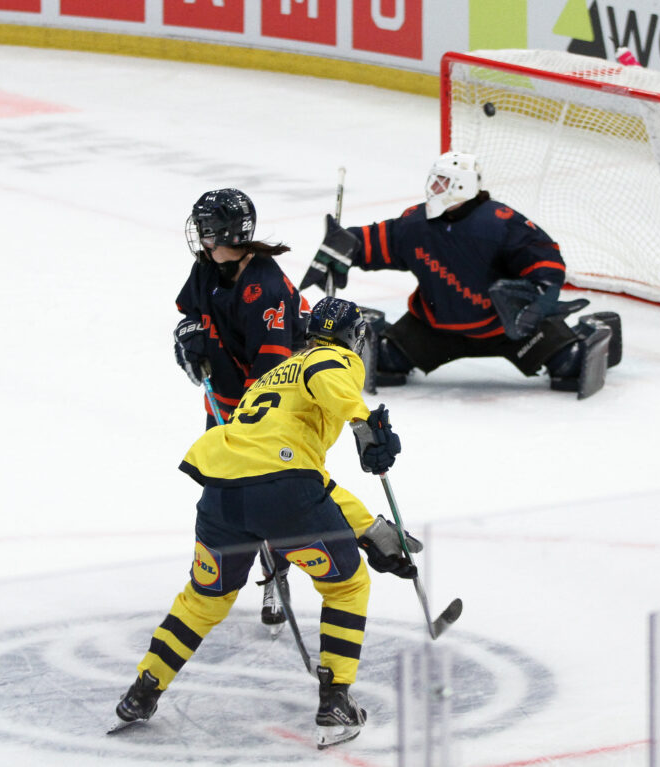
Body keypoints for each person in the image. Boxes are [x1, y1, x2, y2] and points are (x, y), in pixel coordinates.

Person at [115, 297, 415, 750]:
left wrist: (368, 529)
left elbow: (306, 475)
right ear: (355, 337)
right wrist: (364, 422)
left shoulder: (274, 376)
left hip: (222, 493)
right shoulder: (334, 358)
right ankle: (335, 702)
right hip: (283, 491)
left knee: (203, 600)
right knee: (346, 585)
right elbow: (325, 383)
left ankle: (143, 691)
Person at [299, 151, 621, 398]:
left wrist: (541, 302)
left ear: (463, 187)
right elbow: (382, 241)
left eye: (441, 182)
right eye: (434, 180)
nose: (432, 188)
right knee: (384, 361)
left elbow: (546, 259)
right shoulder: (417, 224)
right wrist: (346, 245)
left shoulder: (499, 222)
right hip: (435, 328)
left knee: (570, 364)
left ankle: (595, 331)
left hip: (508, 328)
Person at [172, 188, 311, 629]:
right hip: (228, 399)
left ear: (225, 233)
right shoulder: (209, 268)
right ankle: (215, 576)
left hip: (277, 409)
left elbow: (271, 378)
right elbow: (189, 312)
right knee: (223, 491)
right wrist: (189, 334)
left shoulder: (265, 289)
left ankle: (277, 572)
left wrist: (244, 431)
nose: (200, 238)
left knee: (271, 496)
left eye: (206, 229)